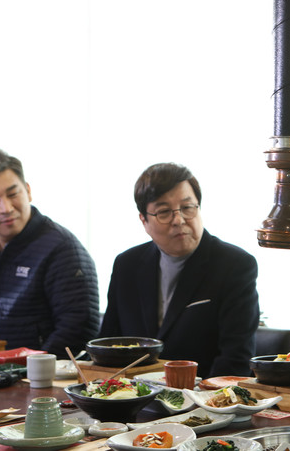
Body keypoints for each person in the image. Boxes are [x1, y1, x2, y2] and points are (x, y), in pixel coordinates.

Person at [99, 162, 260, 379]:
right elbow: (107, 347)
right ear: (144, 220)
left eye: (187, 208)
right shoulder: (127, 264)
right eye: (164, 212)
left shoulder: (235, 265)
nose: (179, 220)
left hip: (202, 394)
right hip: (133, 394)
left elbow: (235, 359)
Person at [0, 148, 100, 357]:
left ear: (28, 191)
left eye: (13, 194)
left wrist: (30, 367)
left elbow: (78, 329)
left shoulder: (61, 247)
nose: (6, 208)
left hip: (37, 371)